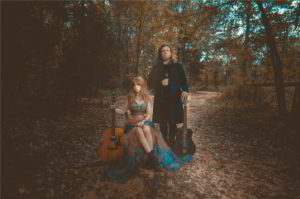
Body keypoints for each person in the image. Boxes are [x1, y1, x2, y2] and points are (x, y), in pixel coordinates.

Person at [106, 76, 189, 182]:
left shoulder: (147, 98)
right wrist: (114, 109)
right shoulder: (130, 97)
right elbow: (123, 111)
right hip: (132, 124)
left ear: (142, 86)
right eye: (134, 85)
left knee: (146, 129)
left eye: (138, 84)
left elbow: (149, 113)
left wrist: (144, 121)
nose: (136, 87)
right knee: (139, 130)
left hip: (144, 121)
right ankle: (152, 157)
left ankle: (150, 157)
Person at [148, 44, 189, 148]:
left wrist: (185, 90)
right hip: (161, 99)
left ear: (171, 53)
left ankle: (172, 141)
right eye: (163, 51)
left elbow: (184, 81)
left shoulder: (178, 66)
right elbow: (150, 83)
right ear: (160, 53)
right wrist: (160, 83)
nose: (165, 52)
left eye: (167, 50)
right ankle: (164, 143)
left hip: (174, 98)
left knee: (173, 120)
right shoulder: (156, 67)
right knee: (162, 122)